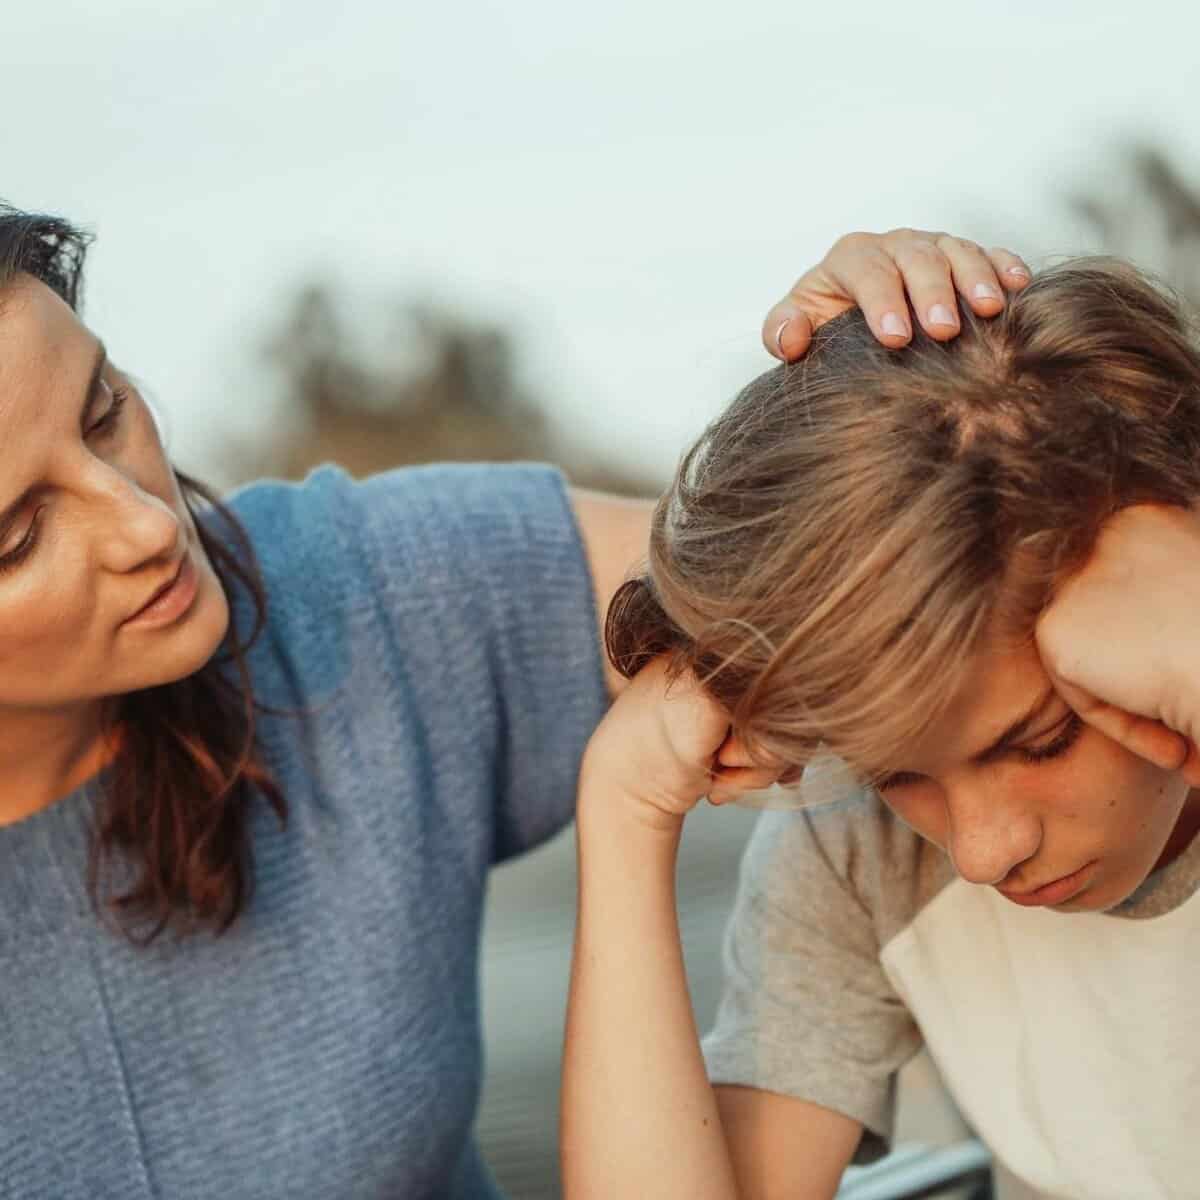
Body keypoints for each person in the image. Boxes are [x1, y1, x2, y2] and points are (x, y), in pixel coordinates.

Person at [0, 208, 1026, 1198]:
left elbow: (855, 560)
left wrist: (907, 390)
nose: (142, 524)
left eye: (105, 412)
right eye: (16, 534)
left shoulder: (358, 596)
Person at [562, 255, 1200, 1200]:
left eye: (1038, 741)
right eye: (894, 773)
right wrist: (623, 810)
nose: (982, 852)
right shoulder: (859, 858)